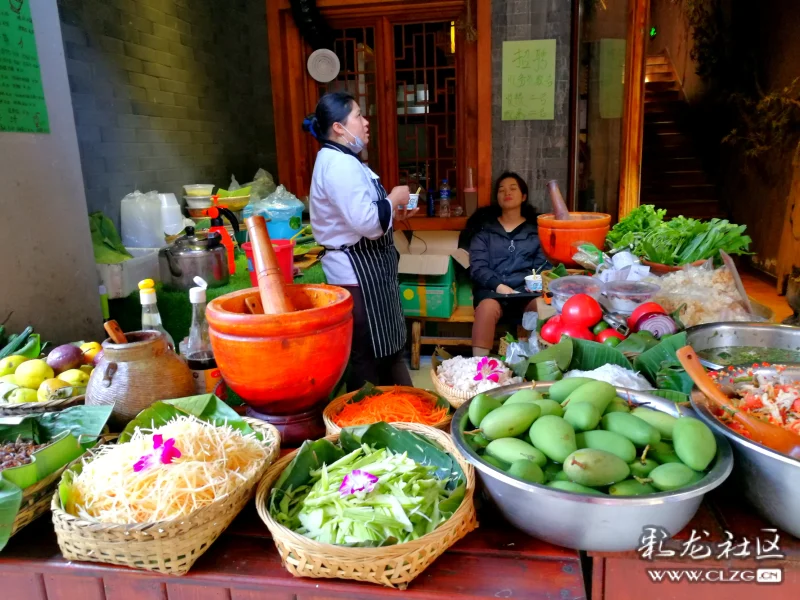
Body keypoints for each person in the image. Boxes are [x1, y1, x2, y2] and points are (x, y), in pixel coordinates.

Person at [303, 92, 419, 390]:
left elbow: (366, 216)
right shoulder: (338, 164)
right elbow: (368, 223)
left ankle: (407, 413)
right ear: (339, 128)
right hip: (357, 277)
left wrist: (395, 210)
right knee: (367, 358)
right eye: (358, 115)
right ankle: (364, 425)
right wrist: (393, 197)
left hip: (373, 273)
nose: (366, 122)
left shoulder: (347, 161)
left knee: (389, 352)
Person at [466, 172, 550, 356]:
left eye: (513, 188)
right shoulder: (484, 231)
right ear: (497, 197)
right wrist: (499, 286)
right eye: (502, 190)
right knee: (486, 309)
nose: (507, 193)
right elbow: (478, 268)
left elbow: (544, 266)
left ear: (524, 196)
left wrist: (535, 285)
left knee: (542, 307)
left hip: (526, 294)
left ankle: (540, 360)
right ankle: (479, 367)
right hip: (492, 292)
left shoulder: (535, 232)